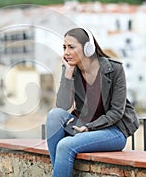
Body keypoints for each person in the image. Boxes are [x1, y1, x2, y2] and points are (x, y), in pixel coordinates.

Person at [46, 27, 139, 177]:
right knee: (54, 115)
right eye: (64, 47)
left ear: (88, 48)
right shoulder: (71, 70)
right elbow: (63, 105)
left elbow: (116, 112)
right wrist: (68, 75)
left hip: (113, 131)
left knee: (65, 145)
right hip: (83, 127)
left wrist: (90, 127)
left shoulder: (114, 69)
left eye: (71, 47)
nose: (66, 53)